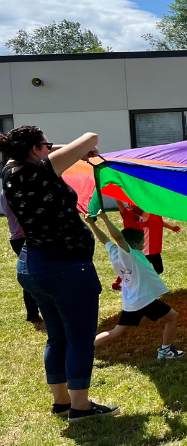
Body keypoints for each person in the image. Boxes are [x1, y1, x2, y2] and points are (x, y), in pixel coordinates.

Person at [0, 126, 119, 421]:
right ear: (35, 151)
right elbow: (91, 136)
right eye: (46, 144)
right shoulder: (41, 171)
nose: (50, 148)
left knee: (57, 337)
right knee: (79, 338)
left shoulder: (10, 170)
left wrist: (58, 148)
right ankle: (80, 408)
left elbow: (52, 153)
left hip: (33, 264)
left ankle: (62, 402)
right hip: (66, 267)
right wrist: (81, 147)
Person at [85, 211, 184, 359]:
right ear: (134, 244)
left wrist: (92, 223)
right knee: (173, 317)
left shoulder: (114, 252)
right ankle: (165, 351)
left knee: (116, 332)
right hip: (143, 299)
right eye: (142, 243)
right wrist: (104, 218)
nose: (143, 245)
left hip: (132, 301)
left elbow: (105, 239)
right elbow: (118, 237)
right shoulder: (129, 253)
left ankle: (83, 350)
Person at [2, 187, 40, 323]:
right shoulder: (11, 192)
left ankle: (34, 314)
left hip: (21, 237)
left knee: (34, 274)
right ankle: (32, 314)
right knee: (31, 276)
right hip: (22, 238)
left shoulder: (9, 190)